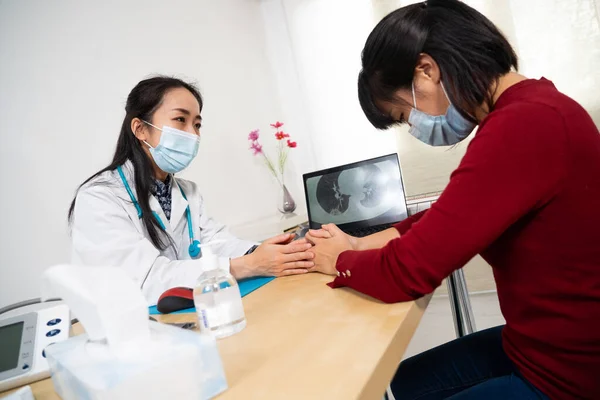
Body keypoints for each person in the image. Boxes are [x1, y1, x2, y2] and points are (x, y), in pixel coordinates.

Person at [305, 1, 600, 399]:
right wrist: (358, 242)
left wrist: (337, 261)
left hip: (565, 373)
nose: (416, 128)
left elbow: (407, 273)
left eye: (406, 114)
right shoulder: (530, 110)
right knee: (397, 384)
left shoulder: (524, 125)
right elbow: (450, 217)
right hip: (533, 345)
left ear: (426, 71)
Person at [68, 76, 314, 305]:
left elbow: (216, 242)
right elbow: (141, 281)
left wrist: (264, 251)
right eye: (180, 120)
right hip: (129, 330)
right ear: (140, 129)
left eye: (197, 124)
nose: (192, 134)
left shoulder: (187, 193)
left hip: (188, 313)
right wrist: (248, 265)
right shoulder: (99, 197)